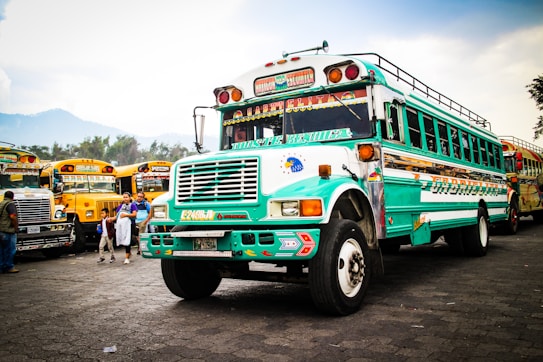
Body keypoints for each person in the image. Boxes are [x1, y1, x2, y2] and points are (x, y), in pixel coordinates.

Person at [108, 192, 137, 265]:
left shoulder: (132, 205)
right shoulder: (120, 206)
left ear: (130, 198)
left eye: (126, 197)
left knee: (128, 240)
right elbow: (117, 216)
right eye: (124, 197)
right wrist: (111, 219)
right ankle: (129, 252)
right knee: (123, 239)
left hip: (129, 225)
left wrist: (126, 215)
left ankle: (127, 257)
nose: (125, 199)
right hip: (121, 225)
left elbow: (134, 214)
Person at [0, 191, 19, 273]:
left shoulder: (1, 204)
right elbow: (12, 216)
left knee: (2, 250)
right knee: (10, 250)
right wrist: (15, 227)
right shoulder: (10, 204)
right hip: (8, 230)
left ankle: (1, 267)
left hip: (1, 230)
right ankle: (9, 266)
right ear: (12, 197)